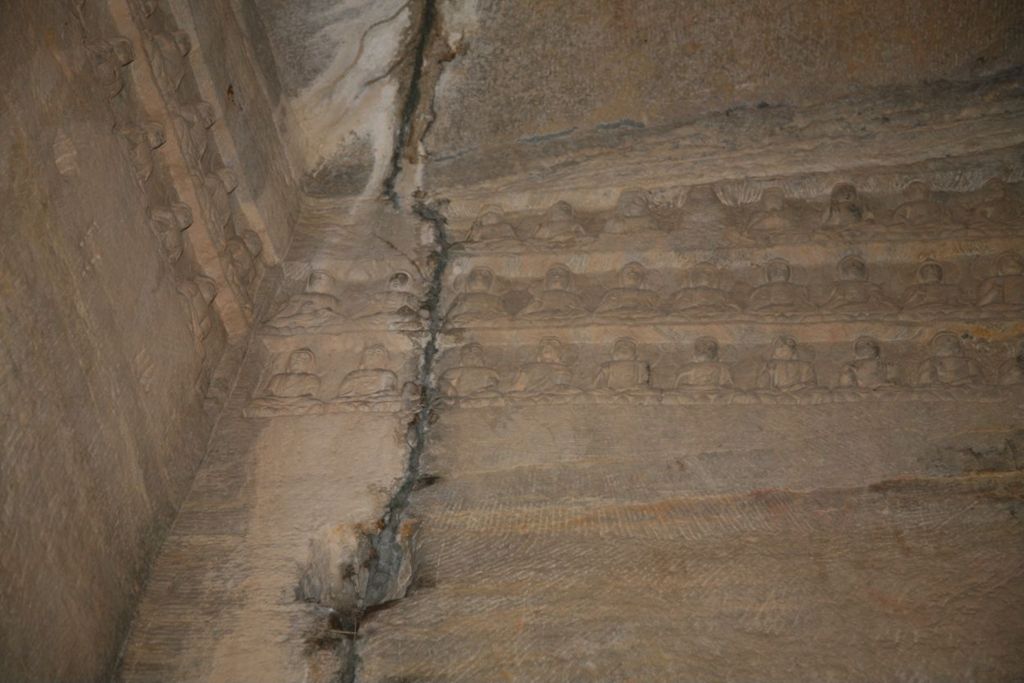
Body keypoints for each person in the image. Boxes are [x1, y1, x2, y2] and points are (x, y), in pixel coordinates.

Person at [822, 255, 896, 313]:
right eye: (849, 266)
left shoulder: (870, 286)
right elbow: (833, 302)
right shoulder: (841, 287)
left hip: (866, 308)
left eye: (857, 266)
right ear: (842, 271)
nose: (853, 266)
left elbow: (882, 300)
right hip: (846, 308)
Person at [518, 264, 587, 319]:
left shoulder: (572, 297)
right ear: (546, 279)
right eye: (553, 274)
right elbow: (526, 312)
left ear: (568, 280)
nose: (557, 276)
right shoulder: (540, 295)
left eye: (562, 275)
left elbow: (582, 313)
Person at [915, 332, 984, 386]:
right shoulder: (931, 362)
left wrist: (960, 382)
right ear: (935, 346)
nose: (948, 342)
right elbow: (925, 380)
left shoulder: (968, 362)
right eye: (943, 342)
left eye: (953, 341)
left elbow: (978, 379)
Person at [594, 262, 660, 317]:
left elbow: (659, 313)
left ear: (642, 279)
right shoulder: (614, 293)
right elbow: (599, 314)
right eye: (628, 273)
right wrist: (624, 311)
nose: (633, 273)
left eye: (637, 273)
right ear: (621, 277)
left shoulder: (648, 294)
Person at [510, 338, 574, 393]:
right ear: (539, 354)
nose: (547, 348)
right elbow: (518, 386)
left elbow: (564, 386)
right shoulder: (531, 367)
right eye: (544, 348)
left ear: (558, 354)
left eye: (552, 348)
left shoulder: (563, 370)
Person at [747, 259, 812, 313]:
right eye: (774, 270)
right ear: (767, 274)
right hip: (767, 313)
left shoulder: (797, 288)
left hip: (792, 313)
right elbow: (754, 306)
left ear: (789, 272)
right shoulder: (762, 289)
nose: (779, 272)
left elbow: (805, 305)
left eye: (783, 270)